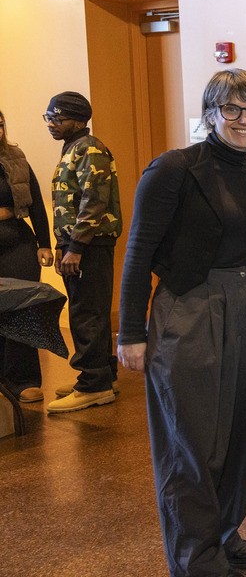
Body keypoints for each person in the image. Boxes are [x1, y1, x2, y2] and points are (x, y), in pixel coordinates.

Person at [118, 69, 246, 577]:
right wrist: (130, 332)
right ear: (210, 114)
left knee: (240, 430)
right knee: (193, 440)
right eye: (232, 109)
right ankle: (196, 564)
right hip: (190, 310)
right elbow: (138, 251)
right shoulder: (174, 170)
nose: (245, 121)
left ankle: (223, 534)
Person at [44, 91, 122, 414]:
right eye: (48, 117)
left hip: (89, 246)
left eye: (56, 118)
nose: (50, 124)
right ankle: (103, 374)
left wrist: (75, 247)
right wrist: (64, 245)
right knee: (90, 309)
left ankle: (94, 384)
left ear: (77, 120)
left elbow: (93, 200)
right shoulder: (72, 149)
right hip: (78, 246)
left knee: (86, 312)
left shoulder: (90, 149)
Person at [0, 109, 55, 403]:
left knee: (22, 309)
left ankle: (23, 380)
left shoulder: (16, 159)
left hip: (18, 244)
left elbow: (35, 204)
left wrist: (44, 244)